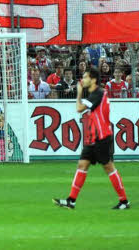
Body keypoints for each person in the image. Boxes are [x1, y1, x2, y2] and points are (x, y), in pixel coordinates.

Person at [54, 66, 129, 210]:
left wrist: (79, 93)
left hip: (102, 137)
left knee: (109, 168)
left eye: (86, 77)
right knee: (82, 165)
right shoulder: (96, 92)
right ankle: (71, 200)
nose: (83, 79)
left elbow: (79, 108)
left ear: (93, 79)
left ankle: (124, 201)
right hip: (93, 138)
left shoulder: (98, 93)